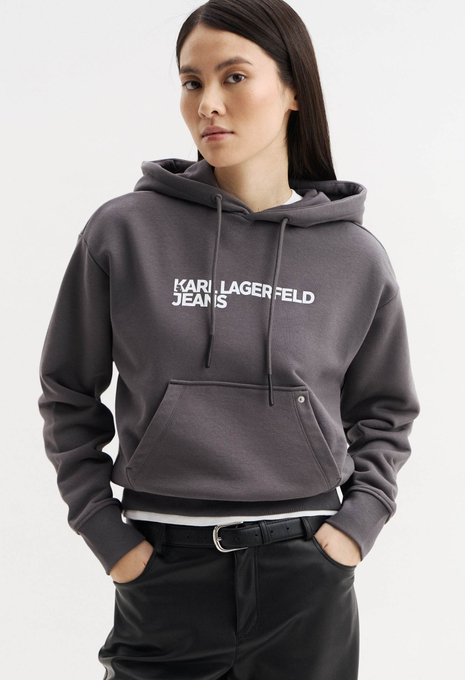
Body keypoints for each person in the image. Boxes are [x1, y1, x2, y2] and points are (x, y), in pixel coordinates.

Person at [37, 1, 421, 678]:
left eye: (233, 77)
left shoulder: (355, 258)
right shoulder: (123, 234)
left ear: (293, 89)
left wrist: (354, 530)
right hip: (162, 572)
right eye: (192, 82)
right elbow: (67, 391)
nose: (207, 103)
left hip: (306, 575)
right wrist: (107, 535)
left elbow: (386, 411)